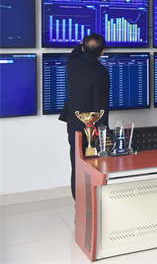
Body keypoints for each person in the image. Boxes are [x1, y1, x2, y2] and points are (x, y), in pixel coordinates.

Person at [59, 34, 110, 200]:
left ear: (82, 48)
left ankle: (78, 204)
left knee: (76, 166)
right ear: (102, 52)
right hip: (92, 131)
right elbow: (101, 107)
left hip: (74, 126)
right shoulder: (101, 72)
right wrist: (103, 134)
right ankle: (91, 204)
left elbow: (74, 52)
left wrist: (81, 44)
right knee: (93, 168)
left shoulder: (72, 63)